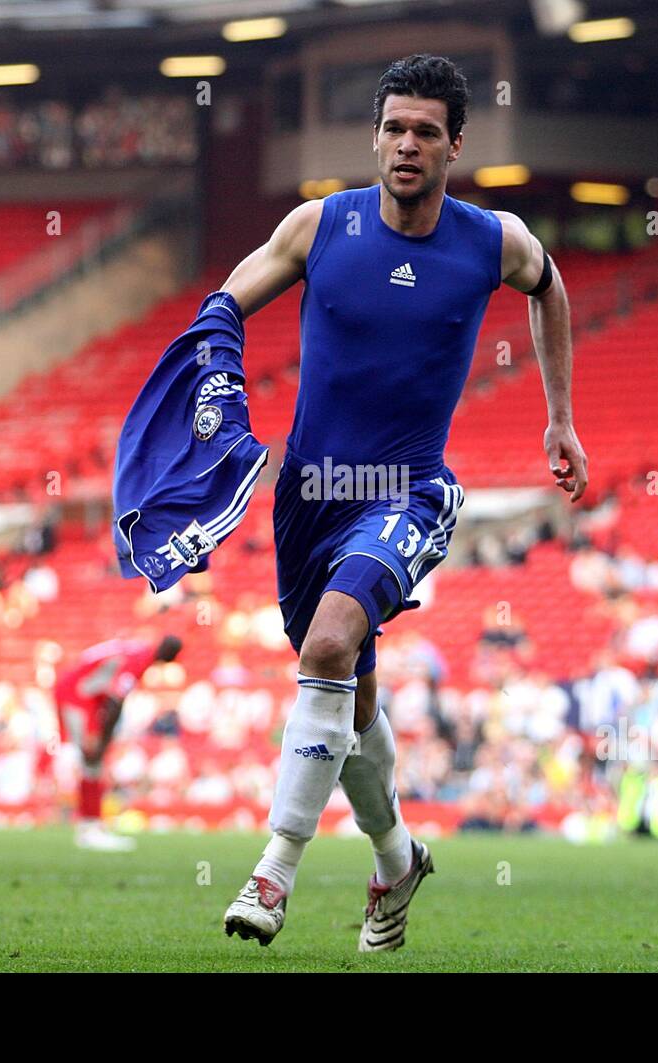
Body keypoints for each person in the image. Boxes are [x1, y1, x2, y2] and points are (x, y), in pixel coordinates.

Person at [214, 54, 588, 951]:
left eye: (425, 130)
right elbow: (222, 308)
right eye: (393, 128)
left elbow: (551, 288)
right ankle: (396, 855)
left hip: (407, 489)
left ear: (456, 144)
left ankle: (276, 868)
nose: (407, 144)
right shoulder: (319, 225)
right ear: (375, 138)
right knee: (347, 695)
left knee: (330, 642)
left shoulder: (491, 240)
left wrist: (560, 419)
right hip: (308, 495)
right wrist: (197, 396)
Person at [53, 634, 182, 850]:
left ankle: (91, 826)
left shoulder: (135, 647)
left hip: (85, 694)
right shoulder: (140, 659)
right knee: (92, 758)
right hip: (78, 695)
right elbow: (115, 701)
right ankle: (89, 828)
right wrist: (104, 740)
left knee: (93, 762)